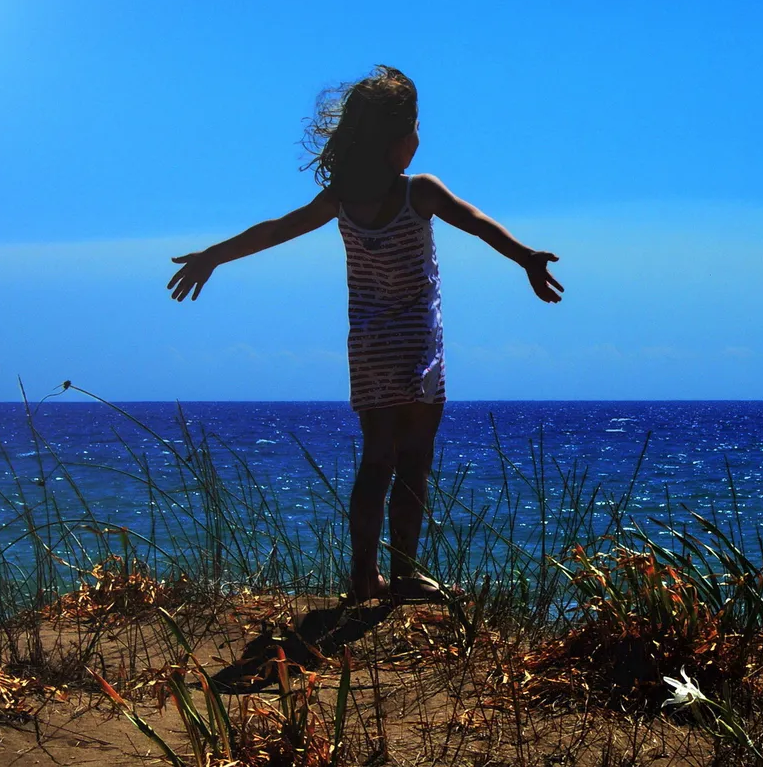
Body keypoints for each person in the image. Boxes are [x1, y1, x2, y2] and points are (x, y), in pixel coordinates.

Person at [167, 66, 563, 604]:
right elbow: (476, 220)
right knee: (415, 458)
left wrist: (214, 254)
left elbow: (276, 229)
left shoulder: (341, 201)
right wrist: (526, 258)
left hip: (370, 350)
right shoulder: (418, 192)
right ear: (402, 142)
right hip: (418, 349)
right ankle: (403, 573)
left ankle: (361, 576)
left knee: (376, 458)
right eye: (417, 129)